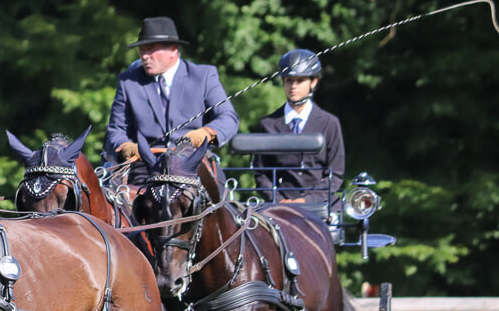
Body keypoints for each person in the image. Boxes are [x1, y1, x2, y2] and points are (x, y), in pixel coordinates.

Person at [104, 16, 239, 186]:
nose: (144, 56)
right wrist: (125, 146)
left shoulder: (203, 76)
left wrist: (206, 133)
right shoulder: (129, 82)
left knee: (219, 199)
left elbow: (228, 118)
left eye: (150, 50)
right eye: (142, 50)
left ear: (173, 50)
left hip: (193, 163)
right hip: (145, 167)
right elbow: (115, 130)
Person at [254, 49, 345, 208]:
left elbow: (335, 174)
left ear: (313, 82)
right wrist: (279, 200)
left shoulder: (329, 123)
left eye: (300, 80)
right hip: (279, 207)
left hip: (320, 205)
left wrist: (306, 201)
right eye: (289, 80)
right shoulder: (268, 124)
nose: (293, 86)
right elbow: (261, 174)